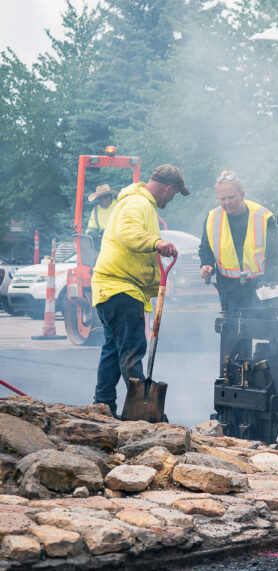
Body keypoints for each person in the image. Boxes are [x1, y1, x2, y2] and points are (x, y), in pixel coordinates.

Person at [91, 164, 189, 417]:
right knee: (132, 349)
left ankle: (102, 406)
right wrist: (157, 242)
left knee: (113, 350)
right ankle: (144, 412)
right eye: (175, 193)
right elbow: (127, 233)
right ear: (168, 188)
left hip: (111, 288)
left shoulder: (137, 202)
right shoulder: (138, 203)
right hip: (120, 287)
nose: (173, 198)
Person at [199, 171, 278, 314]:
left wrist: (271, 282)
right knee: (233, 333)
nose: (227, 202)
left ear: (242, 195)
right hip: (228, 288)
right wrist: (206, 265)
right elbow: (205, 249)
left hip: (260, 286)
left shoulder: (263, 216)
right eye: (222, 198)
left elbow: (274, 254)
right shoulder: (212, 218)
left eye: (231, 197)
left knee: (264, 329)